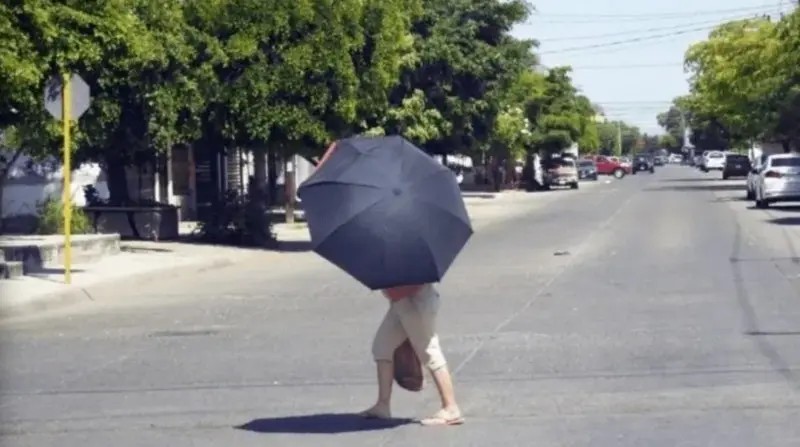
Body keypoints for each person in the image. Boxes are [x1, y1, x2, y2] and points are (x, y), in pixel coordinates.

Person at [360, 283, 464, 426]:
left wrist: (389, 289)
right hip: (400, 303)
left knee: (429, 350)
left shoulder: (411, 262)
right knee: (382, 347)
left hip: (417, 303)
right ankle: (382, 405)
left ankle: (451, 407)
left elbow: (412, 284)